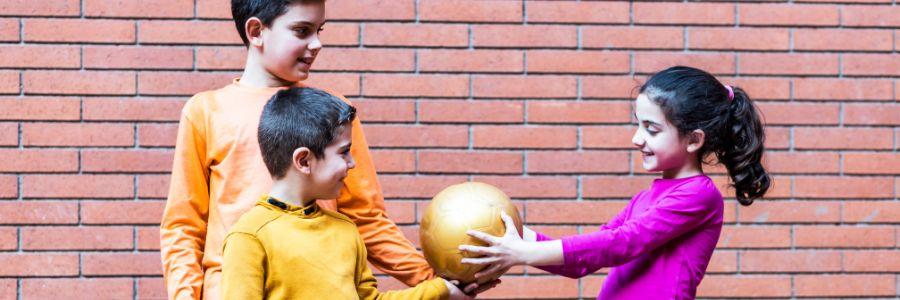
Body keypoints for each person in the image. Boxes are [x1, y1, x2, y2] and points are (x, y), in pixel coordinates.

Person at [159, 1, 498, 299]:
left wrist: (437, 281)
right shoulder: (205, 112)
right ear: (256, 31)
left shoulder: (335, 113)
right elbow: (183, 227)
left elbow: (366, 219)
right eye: (302, 30)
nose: (317, 43)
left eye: (319, 29)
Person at [460, 66, 771, 299]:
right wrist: (518, 235)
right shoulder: (645, 199)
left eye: (651, 129)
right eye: (638, 125)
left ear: (693, 140)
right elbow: (586, 259)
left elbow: (622, 243)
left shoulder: (699, 196)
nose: (637, 139)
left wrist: (523, 253)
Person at [220, 87, 469, 300]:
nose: (352, 163)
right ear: (304, 160)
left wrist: (441, 290)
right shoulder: (249, 237)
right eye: (343, 152)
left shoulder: (345, 230)